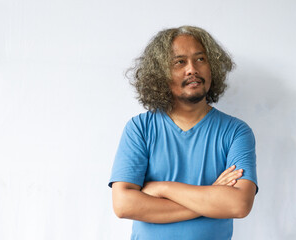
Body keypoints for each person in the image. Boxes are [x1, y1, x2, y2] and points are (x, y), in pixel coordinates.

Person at [109, 26, 258, 240]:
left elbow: (239, 204)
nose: (192, 69)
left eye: (200, 59)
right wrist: (211, 199)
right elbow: (124, 205)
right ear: (160, 73)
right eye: (179, 62)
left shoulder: (236, 131)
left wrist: (161, 188)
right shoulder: (140, 128)